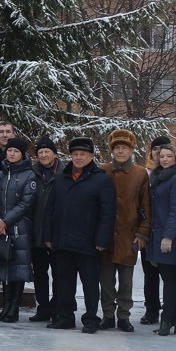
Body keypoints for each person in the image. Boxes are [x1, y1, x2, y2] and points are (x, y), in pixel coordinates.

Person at [42, 137, 115, 332]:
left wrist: (102, 240)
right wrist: (48, 236)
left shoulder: (101, 180)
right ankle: (65, 316)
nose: (79, 157)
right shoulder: (60, 178)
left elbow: (108, 214)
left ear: (91, 156)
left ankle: (91, 318)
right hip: (63, 241)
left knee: (90, 284)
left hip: (88, 243)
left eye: (83, 154)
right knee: (63, 282)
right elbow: (50, 209)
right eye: (75, 154)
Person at [99, 129, 151, 332]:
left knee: (126, 281)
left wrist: (142, 232)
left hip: (129, 234)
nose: (121, 151)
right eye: (117, 147)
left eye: (125, 148)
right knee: (106, 279)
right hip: (106, 235)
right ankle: (108, 315)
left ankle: (123, 316)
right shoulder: (103, 170)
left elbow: (146, 206)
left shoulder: (140, 173)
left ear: (131, 150)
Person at [0, 136, 36, 323]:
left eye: (16, 151)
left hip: (19, 228)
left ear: (22, 154)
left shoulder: (28, 175)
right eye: (10, 151)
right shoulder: (0, 174)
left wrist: (6, 221)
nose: (12, 154)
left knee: (17, 269)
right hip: (0, 229)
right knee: (3, 267)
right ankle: (5, 306)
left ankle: (14, 307)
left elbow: (26, 203)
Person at [146, 144, 176, 336]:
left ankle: (168, 319)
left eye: (169, 156)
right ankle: (171, 318)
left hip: (169, 237)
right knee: (166, 278)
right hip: (156, 235)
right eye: (161, 156)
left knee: (171, 280)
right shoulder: (157, 178)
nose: (164, 159)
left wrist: (168, 237)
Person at [27, 135, 63, 322]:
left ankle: (57, 307)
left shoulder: (64, 173)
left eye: (47, 151)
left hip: (57, 234)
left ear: (54, 154)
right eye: (40, 152)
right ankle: (42, 307)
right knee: (40, 274)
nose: (43, 155)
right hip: (36, 232)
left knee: (58, 274)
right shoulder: (32, 172)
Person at [139, 134, 173, 324]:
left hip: (168, 231)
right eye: (155, 149)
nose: (160, 153)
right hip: (149, 231)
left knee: (171, 275)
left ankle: (174, 311)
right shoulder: (145, 173)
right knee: (149, 274)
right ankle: (151, 309)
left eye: (164, 149)